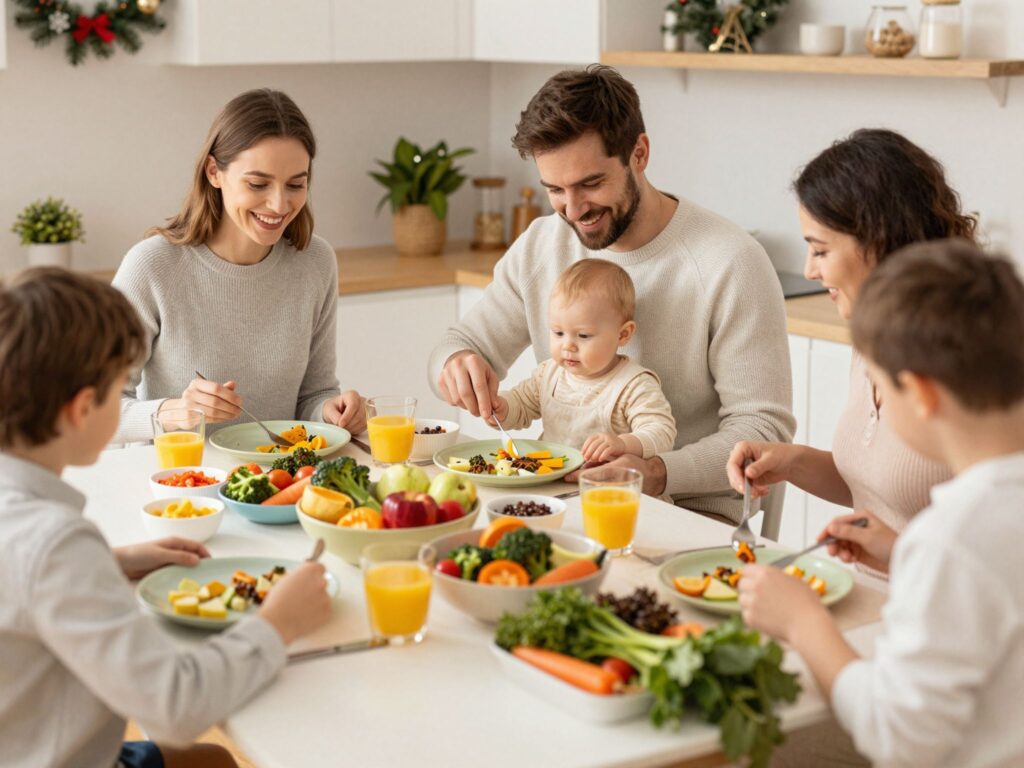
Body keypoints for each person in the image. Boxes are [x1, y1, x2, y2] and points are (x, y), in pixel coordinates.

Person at [430, 65, 794, 521]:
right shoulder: (543, 244)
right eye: (555, 190)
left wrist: (656, 471)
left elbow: (764, 431)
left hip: (690, 515)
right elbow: (460, 345)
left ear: (639, 153)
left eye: (590, 184)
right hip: (562, 499)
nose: (574, 210)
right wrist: (455, 364)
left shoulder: (731, 261)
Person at [0, 268, 332, 768]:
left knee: (209, 763)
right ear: (82, 408)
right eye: (117, 392)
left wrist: (107, 563)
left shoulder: (28, 526)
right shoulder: (55, 543)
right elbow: (175, 706)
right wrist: (277, 622)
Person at [739, 240, 1024, 768]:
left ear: (920, 393)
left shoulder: (955, 537)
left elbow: (896, 736)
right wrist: (906, 551)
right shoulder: (969, 529)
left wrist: (803, 622)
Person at [728, 128, 976, 533]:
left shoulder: (968, 362)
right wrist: (790, 461)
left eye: (821, 250)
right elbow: (881, 488)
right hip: (864, 588)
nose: (810, 270)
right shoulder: (872, 339)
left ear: (879, 241)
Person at [112, 89, 365, 444]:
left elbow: (313, 394)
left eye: (296, 184)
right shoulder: (153, 266)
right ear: (214, 172)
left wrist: (331, 411)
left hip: (280, 486)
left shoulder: (315, 262)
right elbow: (93, 409)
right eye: (258, 184)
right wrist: (171, 413)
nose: (279, 204)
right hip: (183, 489)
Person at [489, 259, 676, 463]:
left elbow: (662, 433)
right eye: (558, 333)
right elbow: (522, 406)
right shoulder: (547, 374)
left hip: (606, 489)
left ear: (623, 335)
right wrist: (503, 408)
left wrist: (623, 444)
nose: (567, 345)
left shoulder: (634, 385)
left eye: (584, 336)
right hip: (552, 486)